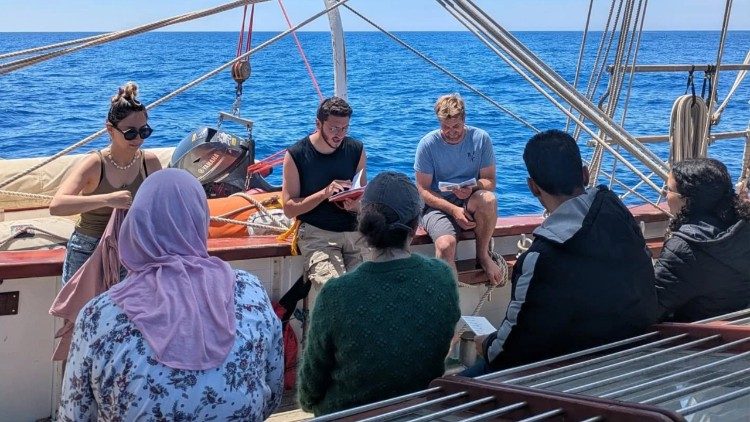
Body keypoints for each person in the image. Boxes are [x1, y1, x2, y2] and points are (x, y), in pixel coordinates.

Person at [57, 169, 284, 421]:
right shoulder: (251, 290)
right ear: (200, 220)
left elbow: (74, 414)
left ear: (136, 224)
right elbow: (273, 392)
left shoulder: (98, 315)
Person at [466, 129, 658, 376]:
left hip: (573, 373)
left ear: (533, 188)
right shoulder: (621, 217)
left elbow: (505, 353)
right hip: (634, 353)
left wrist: (485, 343)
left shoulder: (541, 258)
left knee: (442, 388)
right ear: (585, 174)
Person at [297, 171, 460, 416]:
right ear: (415, 226)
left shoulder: (336, 294)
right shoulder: (442, 277)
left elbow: (309, 393)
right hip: (420, 412)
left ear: (363, 225)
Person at [50, 82, 162, 284]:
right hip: (88, 249)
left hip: (130, 248)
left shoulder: (149, 163)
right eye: (130, 132)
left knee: (124, 304)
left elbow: (161, 208)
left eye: (144, 131)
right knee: (79, 305)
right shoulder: (95, 164)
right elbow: (57, 205)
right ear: (110, 129)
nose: (138, 139)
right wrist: (107, 200)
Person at [282, 97, 369, 306]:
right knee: (334, 292)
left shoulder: (356, 150)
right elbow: (289, 209)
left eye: (344, 128)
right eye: (333, 128)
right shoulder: (296, 155)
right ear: (318, 123)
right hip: (317, 234)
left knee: (365, 294)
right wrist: (324, 193)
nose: (339, 134)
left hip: (353, 233)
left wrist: (355, 205)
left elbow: (363, 197)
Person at [414, 93, 504, 285]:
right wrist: (454, 210)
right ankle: (450, 298)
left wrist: (474, 186)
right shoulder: (427, 144)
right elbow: (423, 190)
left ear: (464, 119)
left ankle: (483, 255)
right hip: (437, 206)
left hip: (469, 199)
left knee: (489, 199)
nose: (451, 132)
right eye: (445, 127)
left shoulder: (481, 139)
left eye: (456, 126)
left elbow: (490, 181)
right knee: (445, 246)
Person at [655, 158, 750, 322]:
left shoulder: (683, 248)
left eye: (668, 190)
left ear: (686, 199)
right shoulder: (743, 227)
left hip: (694, 331)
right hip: (738, 323)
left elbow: (650, 308)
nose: (665, 196)